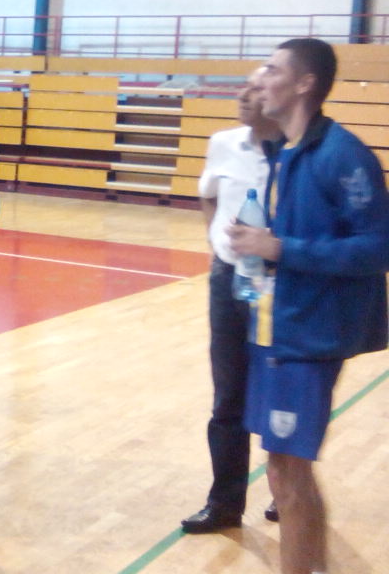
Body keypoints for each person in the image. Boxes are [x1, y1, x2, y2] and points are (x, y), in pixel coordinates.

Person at [228, 38, 389, 574]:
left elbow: (377, 248)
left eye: (272, 70)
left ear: (304, 84)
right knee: (286, 474)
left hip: (310, 336)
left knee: (287, 478)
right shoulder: (287, 150)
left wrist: (280, 249)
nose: (261, 78)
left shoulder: (343, 155)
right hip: (276, 327)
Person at [180, 67, 281, 534]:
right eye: (245, 85)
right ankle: (224, 502)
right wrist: (215, 241)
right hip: (228, 282)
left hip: (279, 287)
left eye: (257, 87)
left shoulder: (295, 153)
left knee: (280, 393)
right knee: (228, 396)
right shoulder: (222, 143)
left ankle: (287, 487)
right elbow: (208, 195)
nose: (244, 94)